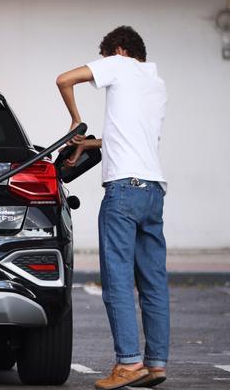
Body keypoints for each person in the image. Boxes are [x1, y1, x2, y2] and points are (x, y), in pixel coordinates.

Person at [56, 26, 169, 389]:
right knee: (153, 282)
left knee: (118, 280)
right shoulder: (156, 84)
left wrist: (75, 119)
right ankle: (155, 363)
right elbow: (133, 134)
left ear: (119, 50)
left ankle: (128, 363)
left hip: (122, 191)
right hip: (153, 191)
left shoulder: (118, 65)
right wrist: (88, 143)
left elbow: (63, 80)